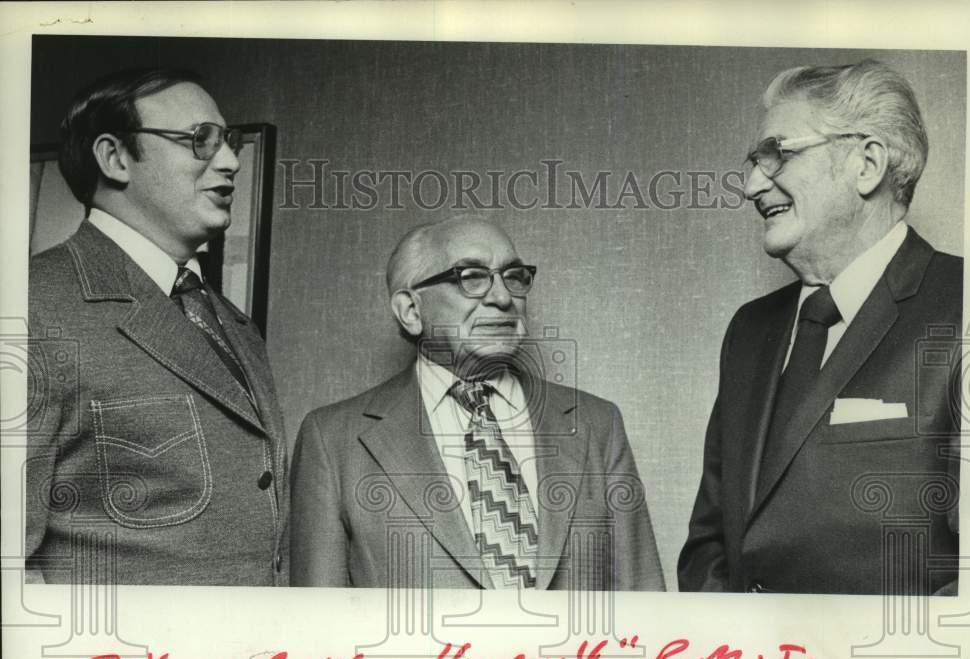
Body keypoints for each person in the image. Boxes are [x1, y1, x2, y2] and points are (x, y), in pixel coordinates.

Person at [677, 60, 962, 595]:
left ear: (866, 163)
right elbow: (710, 544)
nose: (748, 185)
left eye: (776, 154)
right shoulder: (749, 331)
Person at [291, 214, 664, 590]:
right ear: (411, 311)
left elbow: (644, 604)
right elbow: (320, 628)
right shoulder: (333, 441)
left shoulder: (597, 425)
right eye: (471, 278)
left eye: (514, 276)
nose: (503, 298)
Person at [26, 67, 288, 585]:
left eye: (229, 142)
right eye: (200, 140)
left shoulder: (233, 324)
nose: (231, 161)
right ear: (115, 158)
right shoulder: (31, 307)